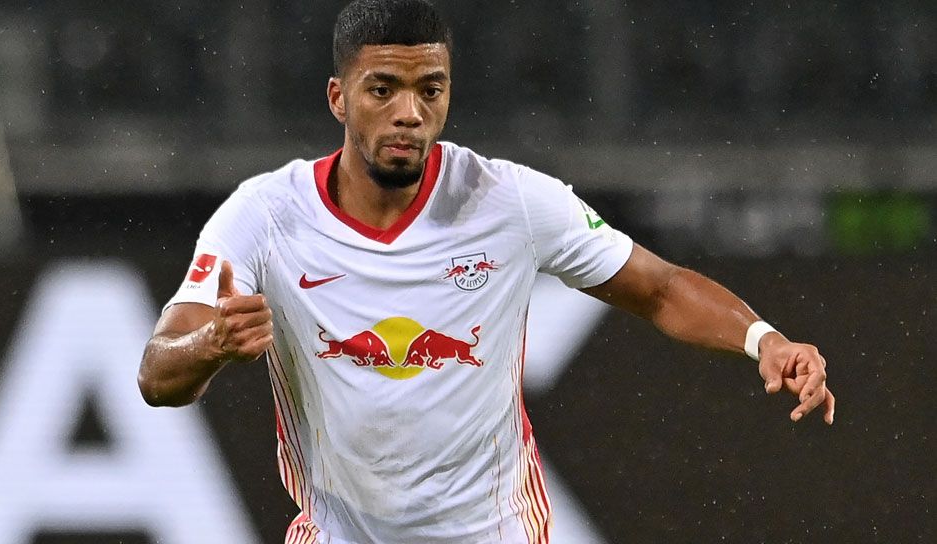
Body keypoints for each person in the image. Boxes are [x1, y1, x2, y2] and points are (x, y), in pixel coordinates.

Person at [138, 1, 835, 542]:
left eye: (430, 90)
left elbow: (660, 288)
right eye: (382, 89)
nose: (409, 113)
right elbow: (156, 375)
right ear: (338, 98)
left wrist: (764, 340)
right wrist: (211, 344)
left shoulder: (509, 202)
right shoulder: (265, 215)